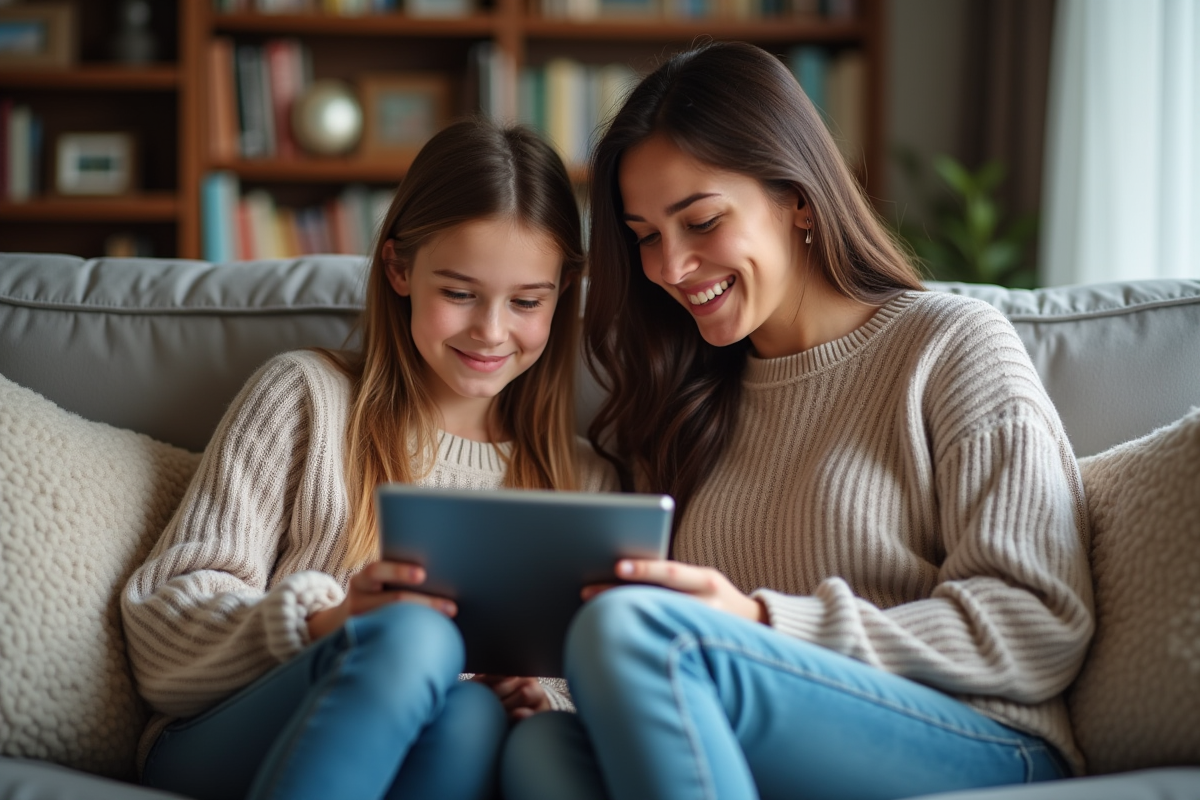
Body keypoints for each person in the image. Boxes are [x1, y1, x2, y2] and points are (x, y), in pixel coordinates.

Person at [502, 41, 1094, 800]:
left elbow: (1037, 622)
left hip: (977, 735)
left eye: (702, 221)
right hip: (759, 732)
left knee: (638, 634)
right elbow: (670, 684)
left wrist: (759, 620)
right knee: (542, 746)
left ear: (800, 201)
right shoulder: (685, 397)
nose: (670, 267)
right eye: (646, 235)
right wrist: (542, 688)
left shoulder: (950, 346)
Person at [121, 118, 612, 800]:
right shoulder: (306, 399)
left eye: (527, 301)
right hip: (229, 736)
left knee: (470, 713)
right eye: (460, 293)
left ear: (562, 296)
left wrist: (537, 704)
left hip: (447, 749)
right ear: (400, 268)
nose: (492, 331)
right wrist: (326, 623)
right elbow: (158, 629)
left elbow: (589, 707)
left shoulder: (587, 482)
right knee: (414, 637)